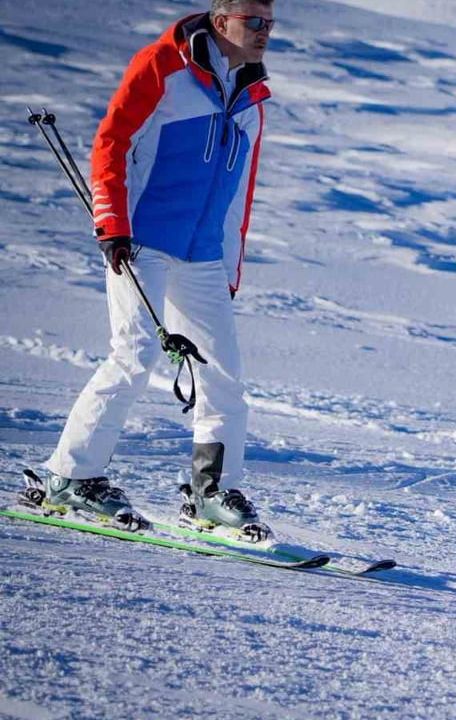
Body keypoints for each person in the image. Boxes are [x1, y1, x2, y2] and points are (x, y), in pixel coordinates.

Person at [36, 1, 276, 539]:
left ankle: (212, 491)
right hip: (141, 240)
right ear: (222, 22)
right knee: (135, 355)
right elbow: (113, 141)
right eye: (254, 21)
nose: (264, 32)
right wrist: (112, 221)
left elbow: (240, 191)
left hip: (203, 254)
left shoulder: (253, 95)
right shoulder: (163, 65)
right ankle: (70, 476)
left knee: (223, 373)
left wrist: (229, 264)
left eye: (270, 23)